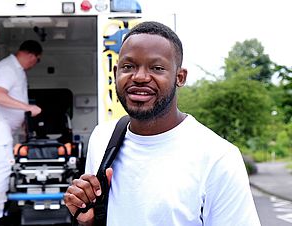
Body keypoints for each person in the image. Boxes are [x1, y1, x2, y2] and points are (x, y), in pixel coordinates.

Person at [64, 21, 261, 226]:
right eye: (128, 66)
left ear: (180, 77)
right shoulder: (102, 138)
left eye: (157, 68)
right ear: (115, 73)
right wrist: (88, 221)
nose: (139, 77)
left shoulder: (218, 157)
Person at [0, 40, 43, 224]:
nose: (34, 64)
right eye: (37, 60)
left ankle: (2, 209)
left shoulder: (16, 70)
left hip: (3, 125)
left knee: (6, 165)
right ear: (31, 55)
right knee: (3, 166)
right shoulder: (8, 68)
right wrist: (28, 107)